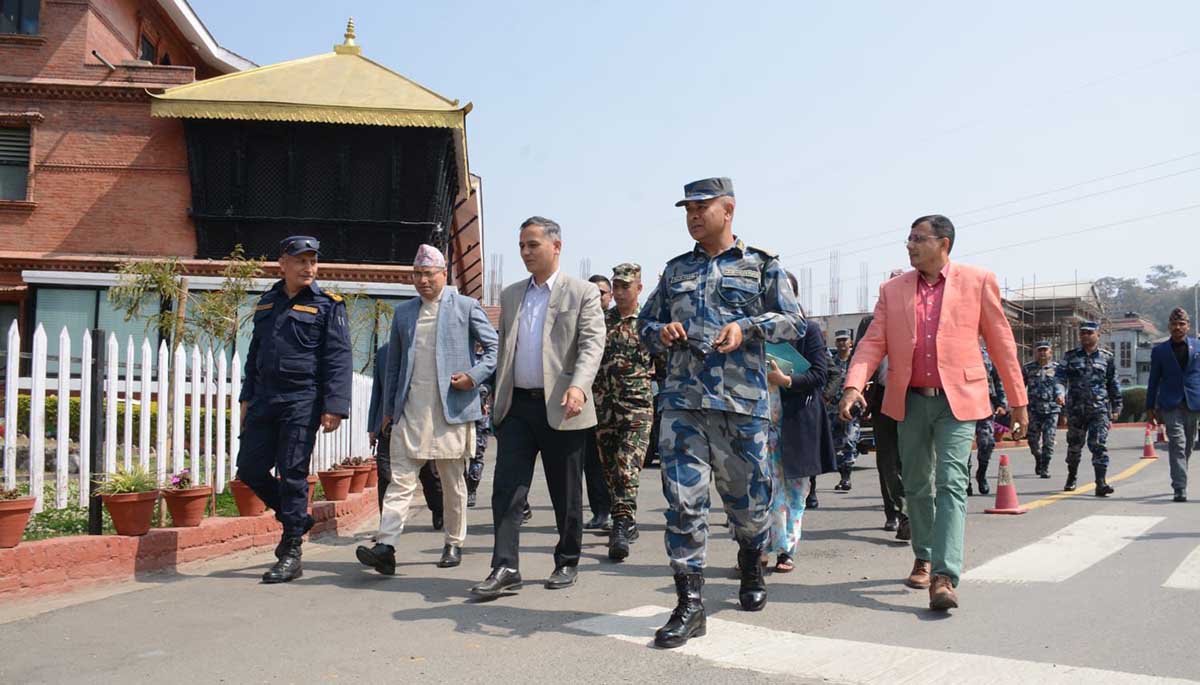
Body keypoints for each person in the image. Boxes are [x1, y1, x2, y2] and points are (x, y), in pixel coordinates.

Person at [639, 177, 804, 648]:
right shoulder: (674, 272)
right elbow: (645, 324)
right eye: (687, 209)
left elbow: (794, 322)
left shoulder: (761, 267)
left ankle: (752, 559)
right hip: (682, 405)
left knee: (748, 507)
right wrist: (661, 332)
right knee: (683, 503)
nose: (692, 216)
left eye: (701, 207)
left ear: (727, 210)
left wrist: (746, 326)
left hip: (741, 407)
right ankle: (690, 604)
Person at [840, 214, 1028, 612]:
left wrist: (1018, 400)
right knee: (917, 485)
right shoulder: (892, 290)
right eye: (908, 239)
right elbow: (873, 343)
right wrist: (853, 385)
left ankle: (944, 575)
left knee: (951, 482)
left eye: (918, 239)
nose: (909, 246)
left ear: (944, 244)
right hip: (909, 400)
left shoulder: (977, 281)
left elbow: (1001, 344)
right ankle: (922, 554)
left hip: (958, 400)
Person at [470, 217, 606, 598]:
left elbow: (592, 345)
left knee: (566, 492)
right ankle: (505, 566)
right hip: (517, 407)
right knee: (507, 490)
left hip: (564, 406)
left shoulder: (581, 293)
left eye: (533, 245)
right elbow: (506, 349)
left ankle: (567, 560)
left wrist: (579, 387)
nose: (526, 252)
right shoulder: (513, 294)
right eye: (522, 246)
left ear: (556, 246)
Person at [355, 245, 498, 574]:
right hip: (410, 410)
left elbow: (494, 348)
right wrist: (389, 410)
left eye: (428, 274)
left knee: (452, 482)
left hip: (450, 410)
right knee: (400, 480)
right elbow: (393, 366)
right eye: (417, 275)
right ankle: (387, 545)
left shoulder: (466, 307)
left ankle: (453, 541)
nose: (422, 281)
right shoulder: (404, 313)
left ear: (443, 274)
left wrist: (473, 377)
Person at [238, 235, 352, 584]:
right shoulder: (266, 304)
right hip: (264, 399)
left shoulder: (328, 305)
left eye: (313, 261)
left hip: (302, 399)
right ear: (282, 264)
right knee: (250, 469)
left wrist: (334, 405)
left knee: (293, 473)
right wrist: (246, 399)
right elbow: (254, 356)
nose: (308, 267)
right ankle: (296, 519)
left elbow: (338, 358)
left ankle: (291, 551)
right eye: (301, 260)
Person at [764, 272, 834, 572]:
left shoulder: (810, 331)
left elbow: (820, 374)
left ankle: (785, 549)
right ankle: (758, 548)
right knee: (763, 488)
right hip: (762, 420)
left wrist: (786, 380)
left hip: (797, 420)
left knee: (794, 490)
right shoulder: (760, 330)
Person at [593, 263, 655, 560]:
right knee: (610, 471)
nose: (618, 292)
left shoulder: (650, 323)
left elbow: (665, 364)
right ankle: (626, 517)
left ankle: (621, 523)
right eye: (615, 286)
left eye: (625, 286)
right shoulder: (601, 321)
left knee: (626, 465)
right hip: (604, 409)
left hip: (637, 408)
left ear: (638, 288)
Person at [858, 310, 908, 539]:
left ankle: (911, 511)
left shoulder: (919, 316)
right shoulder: (870, 322)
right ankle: (896, 512)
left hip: (915, 397)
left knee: (912, 460)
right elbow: (858, 358)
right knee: (887, 461)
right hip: (882, 399)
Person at [1057, 321, 1122, 495]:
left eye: (1089, 333)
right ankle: (1072, 477)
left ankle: (1101, 483)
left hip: (1099, 409)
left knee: (1099, 445)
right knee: (1074, 447)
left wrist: (1117, 406)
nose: (1085, 335)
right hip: (1076, 410)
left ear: (1097, 335)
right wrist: (1060, 392)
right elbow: (1060, 378)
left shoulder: (1106, 357)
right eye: (1083, 333)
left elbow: (1113, 383)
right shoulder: (1070, 356)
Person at [1145, 307, 1200, 502]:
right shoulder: (1160, 351)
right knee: (1178, 443)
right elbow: (1154, 379)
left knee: (1188, 445)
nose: (1177, 327)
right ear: (1169, 326)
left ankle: (1180, 474)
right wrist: (1149, 406)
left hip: (1194, 402)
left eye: (1181, 324)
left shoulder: (1198, 346)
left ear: (1188, 326)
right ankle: (1180, 487)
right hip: (1170, 403)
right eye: (1174, 324)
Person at [582, 274, 615, 532]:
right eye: (592, 292)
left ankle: (623, 514)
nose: (597, 296)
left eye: (602, 292)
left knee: (621, 463)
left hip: (620, 407)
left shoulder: (621, 322)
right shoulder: (579, 322)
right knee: (592, 463)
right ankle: (601, 512)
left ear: (610, 295)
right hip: (588, 404)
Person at [966, 343, 1007, 497]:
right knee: (963, 445)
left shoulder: (988, 354)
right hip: (962, 403)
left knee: (987, 442)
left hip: (984, 403)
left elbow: (997, 380)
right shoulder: (957, 349)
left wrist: (1001, 403)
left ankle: (981, 473)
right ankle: (965, 481)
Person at [1022, 340, 1065, 479]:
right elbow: (1020, 387)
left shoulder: (1058, 368)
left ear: (1050, 352)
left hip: (1051, 409)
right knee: (1032, 440)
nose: (1042, 352)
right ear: (1035, 352)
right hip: (1033, 409)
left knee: (1049, 439)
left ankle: (1045, 467)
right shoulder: (1028, 368)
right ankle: (1038, 458)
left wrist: (1060, 395)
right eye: (1039, 350)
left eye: (1045, 350)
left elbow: (1061, 385)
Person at [829, 329, 859, 491]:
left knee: (849, 441)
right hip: (832, 409)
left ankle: (846, 478)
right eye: (839, 340)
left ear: (850, 342)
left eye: (844, 340)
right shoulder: (832, 361)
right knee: (834, 444)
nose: (841, 343)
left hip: (851, 410)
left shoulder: (856, 363)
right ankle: (842, 475)